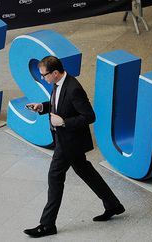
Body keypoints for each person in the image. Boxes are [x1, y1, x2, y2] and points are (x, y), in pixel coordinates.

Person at [24, 56, 125, 238]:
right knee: (85, 171)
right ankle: (113, 205)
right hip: (67, 140)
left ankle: (47, 225)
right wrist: (43, 107)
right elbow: (59, 105)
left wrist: (63, 122)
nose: (42, 78)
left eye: (44, 75)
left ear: (55, 73)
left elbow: (89, 116)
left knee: (55, 177)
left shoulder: (73, 89)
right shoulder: (58, 83)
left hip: (69, 142)